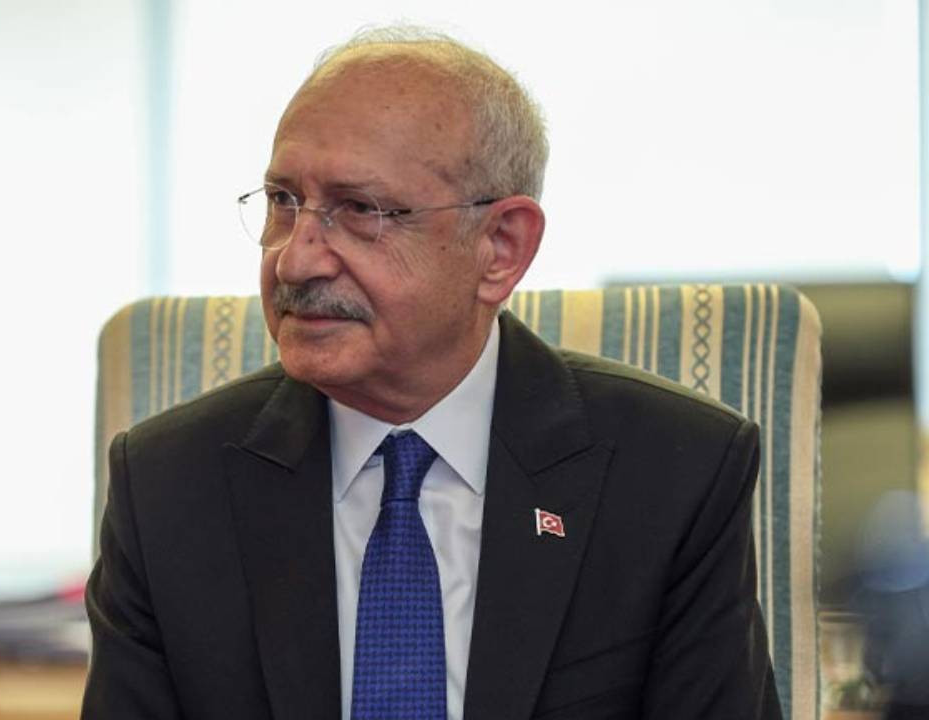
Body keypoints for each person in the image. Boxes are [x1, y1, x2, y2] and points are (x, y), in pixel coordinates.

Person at [84, 26, 782, 720]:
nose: (295, 260)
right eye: (282, 202)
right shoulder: (169, 485)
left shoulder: (673, 473)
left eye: (360, 210)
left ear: (500, 248)